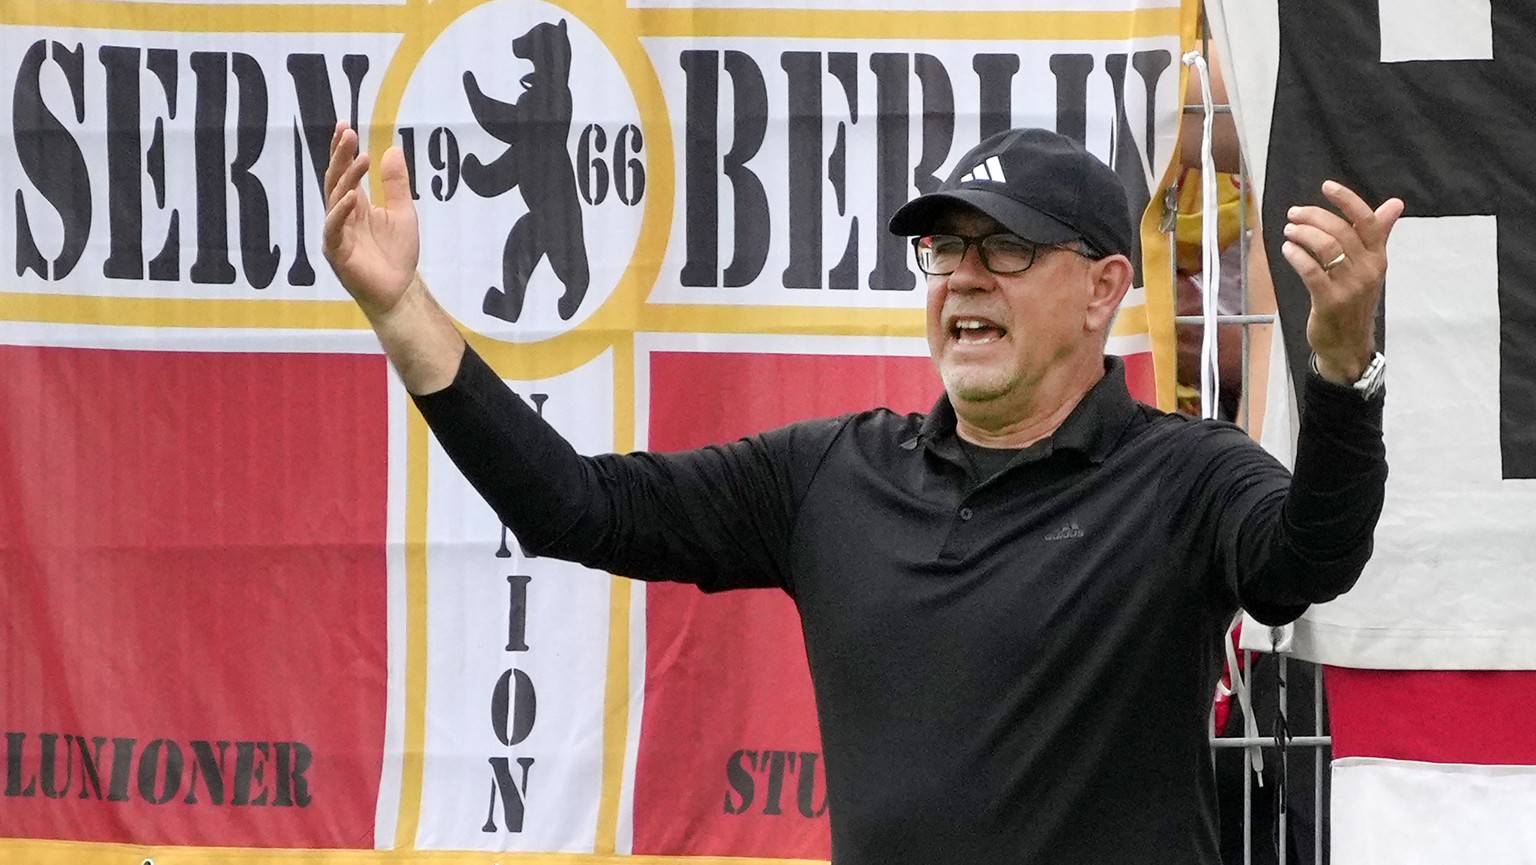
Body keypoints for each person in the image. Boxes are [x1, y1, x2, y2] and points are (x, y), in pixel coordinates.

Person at [323, 122, 1401, 864]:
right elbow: (574, 504)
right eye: (943, 247)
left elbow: (1307, 560)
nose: (963, 277)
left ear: (1103, 289)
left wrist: (1345, 373)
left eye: (1008, 248)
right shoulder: (833, 473)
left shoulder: (1184, 476)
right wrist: (402, 309)